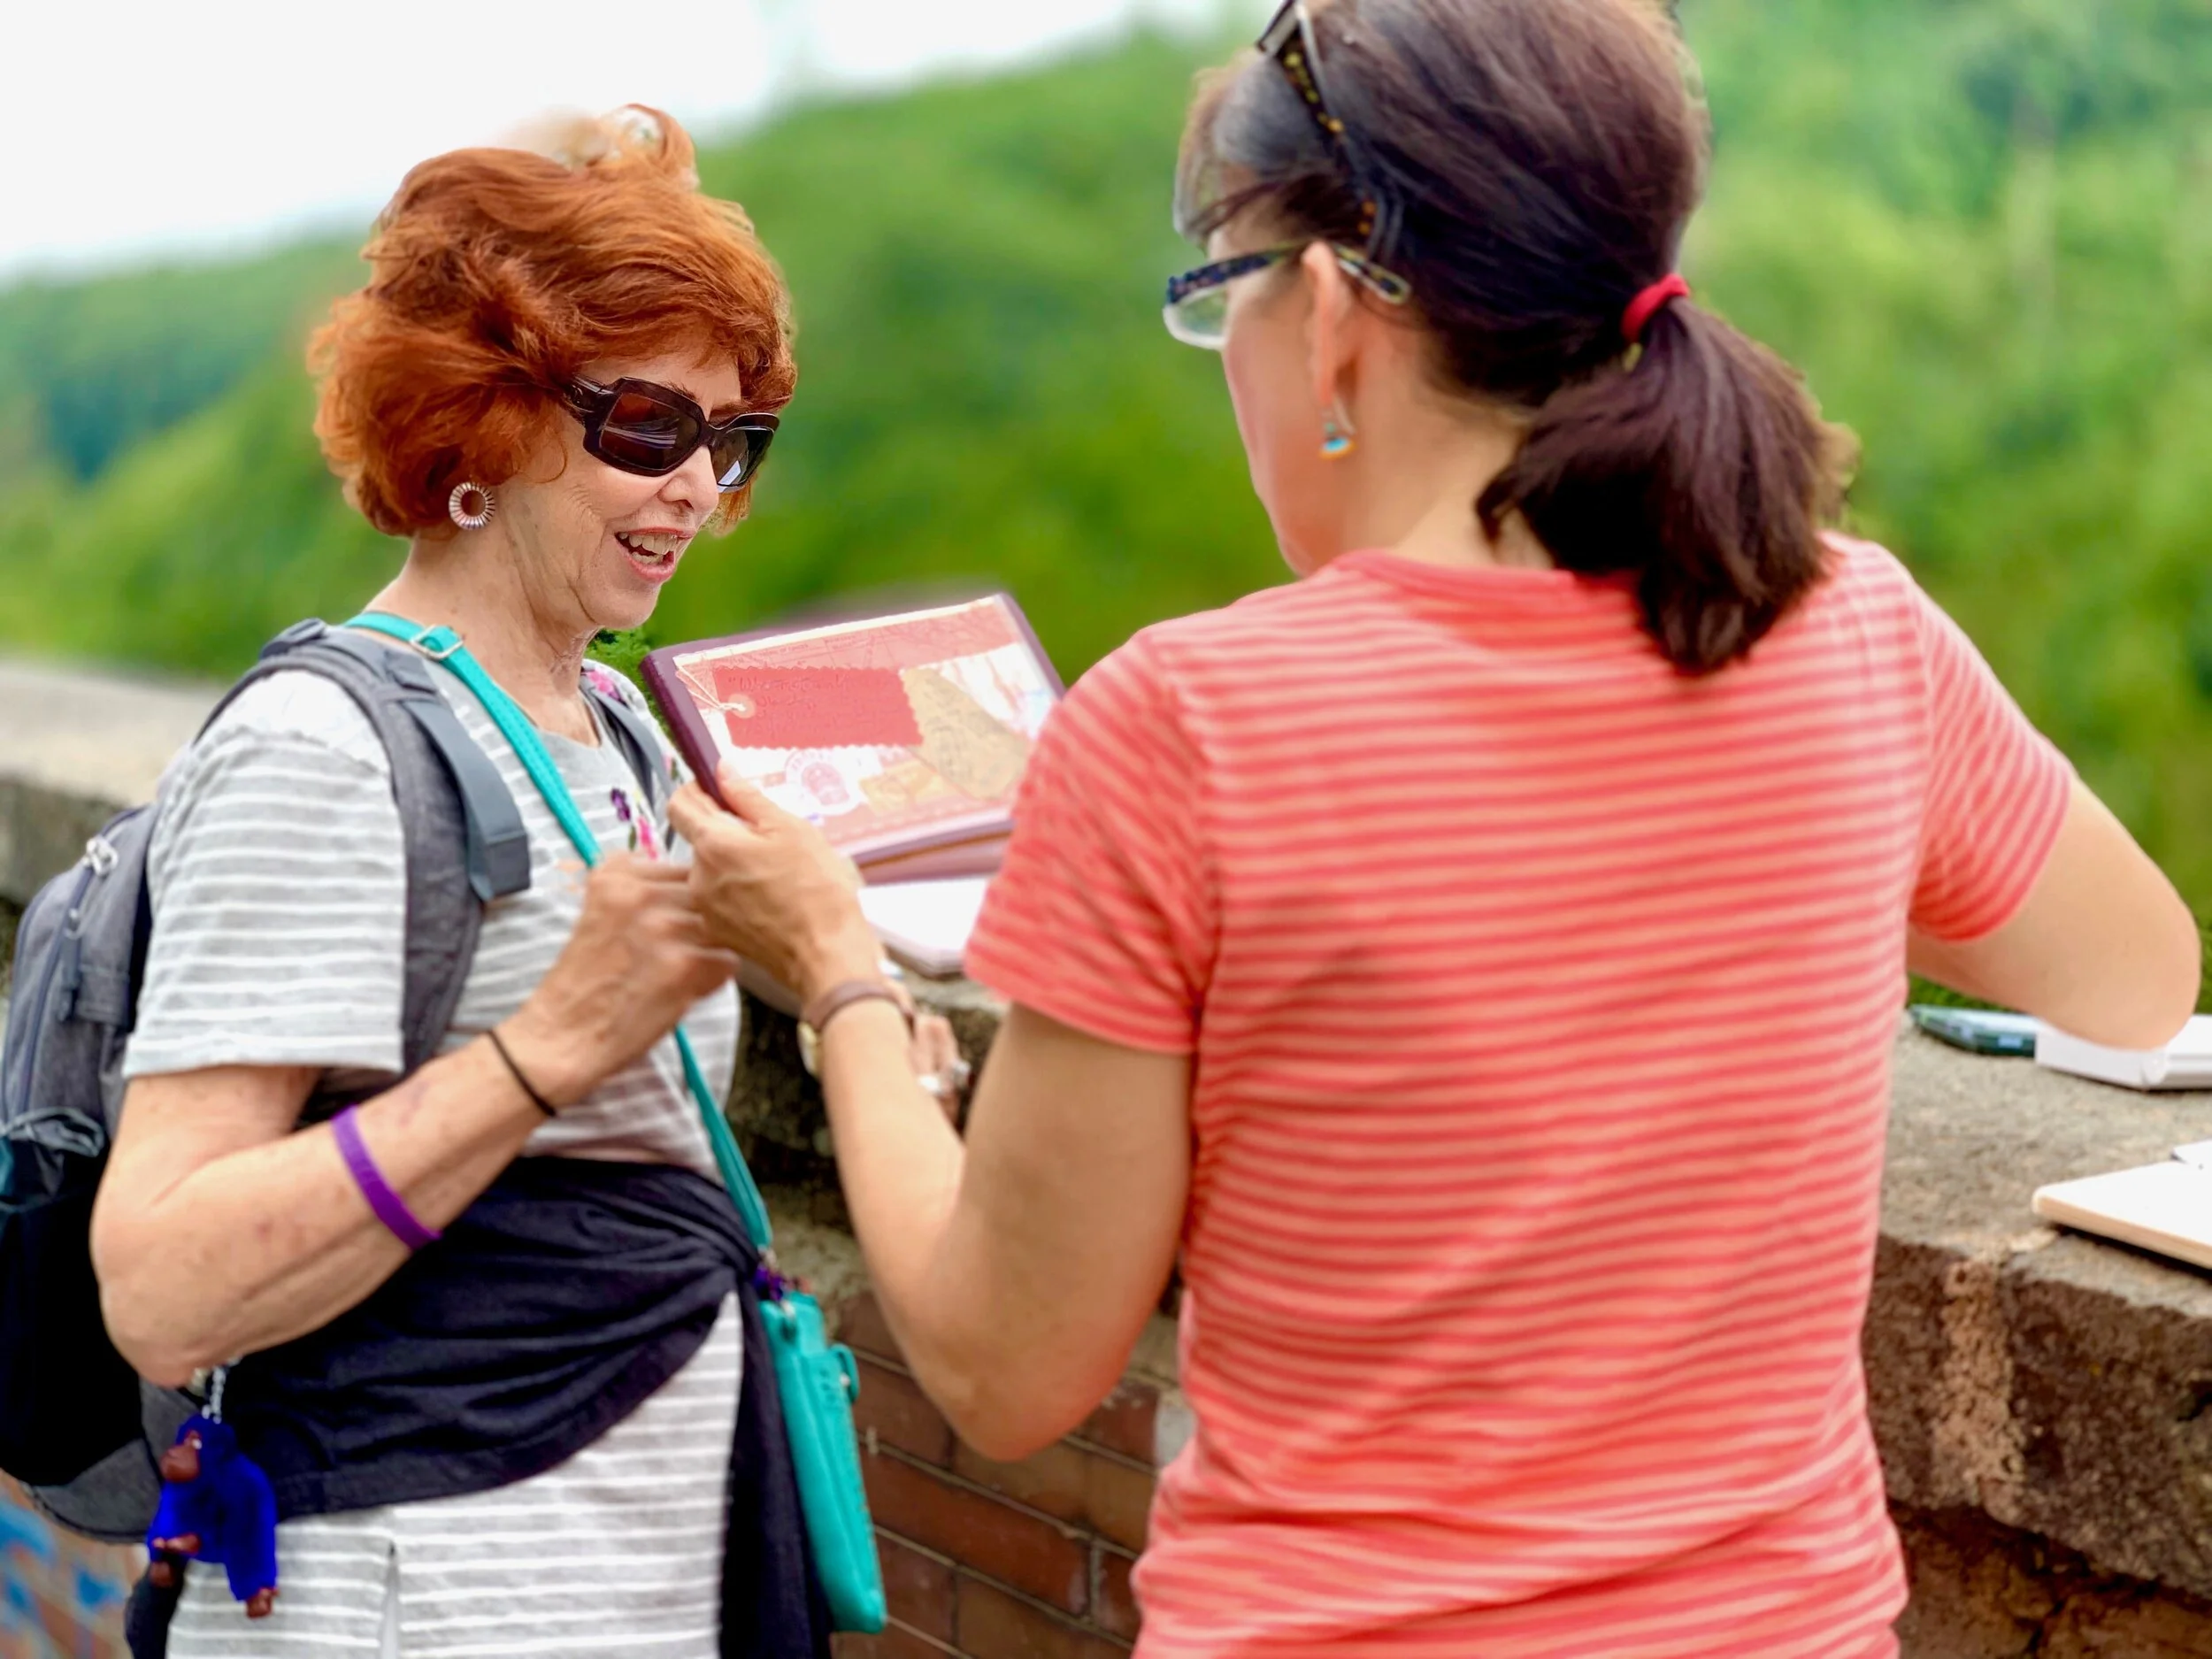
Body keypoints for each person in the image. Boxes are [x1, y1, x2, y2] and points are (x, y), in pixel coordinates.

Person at [667, 4, 2201, 1655]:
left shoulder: (1189, 718)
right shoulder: (1850, 628)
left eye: (1222, 295)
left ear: (1331, 309)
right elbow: (2134, 977)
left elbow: (1003, 1365)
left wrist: (841, 978)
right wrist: (1782, 849)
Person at [88, 107, 949, 1659]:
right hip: (413, 1592)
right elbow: (160, 1284)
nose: (697, 485)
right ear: (480, 420)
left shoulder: (613, 718)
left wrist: (866, 1006)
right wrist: (546, 1047)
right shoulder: (321, 749)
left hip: (637, 1569)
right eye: (647, 426)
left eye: (733, 440)